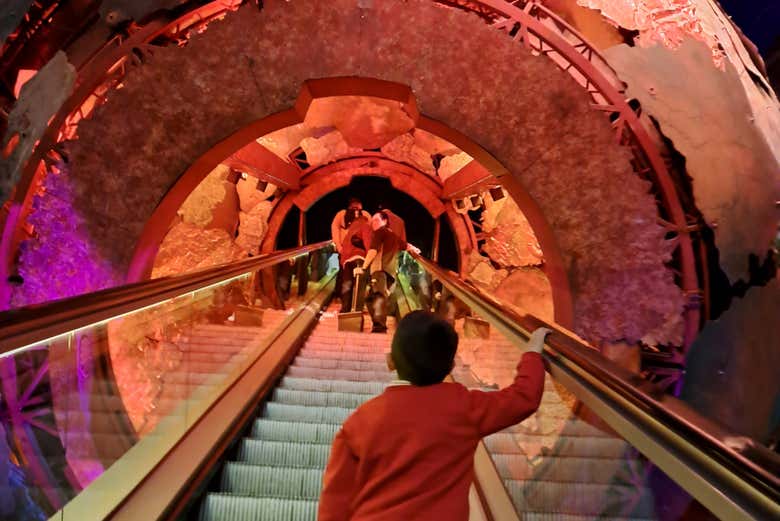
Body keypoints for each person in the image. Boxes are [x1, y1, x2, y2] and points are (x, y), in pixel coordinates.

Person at [318, 311, 550, 520]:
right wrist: (532, 353)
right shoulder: (464, 408)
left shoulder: (361, 420)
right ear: (450, 367)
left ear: (391, 361)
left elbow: (335, 499)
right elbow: (523, 399)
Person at [353, 211, 420, 332]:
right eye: (372, 221)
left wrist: (362, 268)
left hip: (380, 270)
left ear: (385, 221)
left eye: (377, 220)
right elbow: (405, 245)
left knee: (378, 297)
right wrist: (414, 248)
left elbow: (373, 251)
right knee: (370, 299)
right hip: (390, 273)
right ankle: (378, 324)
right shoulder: (392, 235)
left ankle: (379, 327)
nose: (374, 223)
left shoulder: (380, 232)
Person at [339, 212, 372, 312]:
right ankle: (357, 310)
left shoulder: (350, 231)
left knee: (347, 285)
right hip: (359, 259)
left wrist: (343, 262)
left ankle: (345, 310)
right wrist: (369, 256)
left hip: (348, 260)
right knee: (359, 286)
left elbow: (344, 247)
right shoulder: (365, 225)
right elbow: (368, 243)